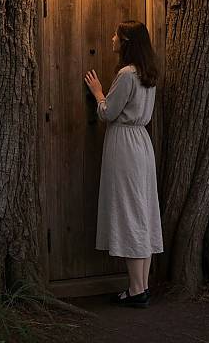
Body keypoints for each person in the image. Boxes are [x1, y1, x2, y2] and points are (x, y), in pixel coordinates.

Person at [84, 20, 164, 308]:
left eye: (116, 34)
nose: (112, 38)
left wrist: (98, 93)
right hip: (142, 143)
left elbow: (108, 113)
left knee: (131, 214)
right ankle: (139, 287)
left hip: (125, 145)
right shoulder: (147, 73)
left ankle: (136, 290)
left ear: (126, 41)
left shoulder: (127, 75)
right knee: (141, 212)